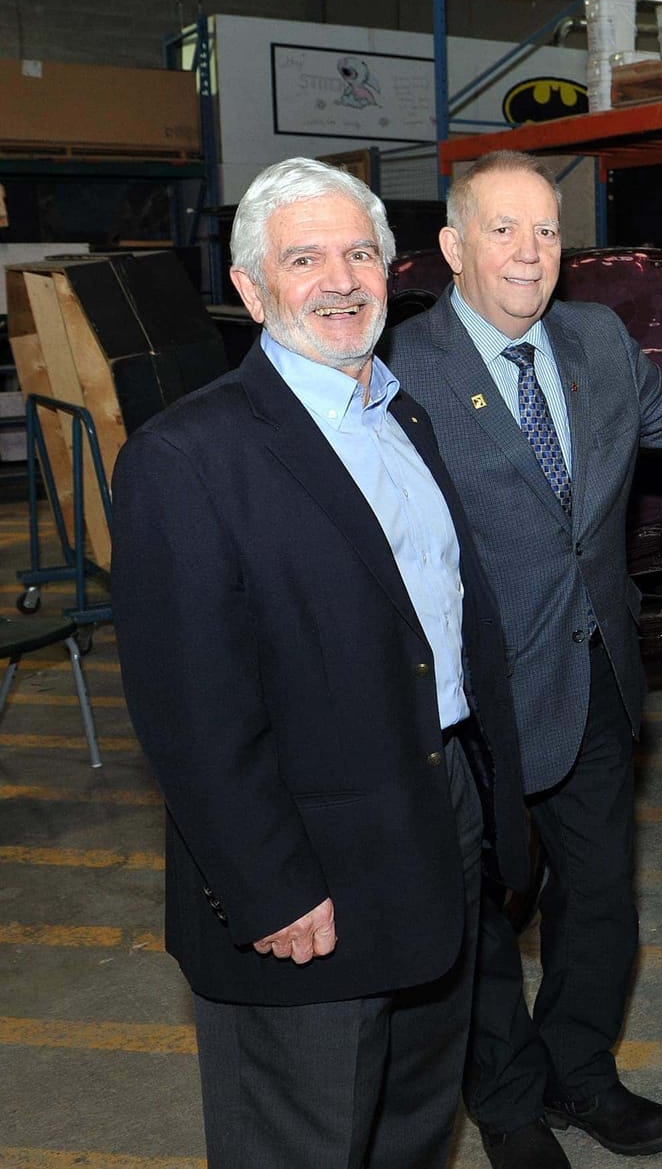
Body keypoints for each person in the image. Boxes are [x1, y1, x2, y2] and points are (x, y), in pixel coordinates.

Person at [387, 150, 662, 1169]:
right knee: (480, 915)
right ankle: (507, 1097)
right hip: (472, 696)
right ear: (453, 247)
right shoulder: (404, 367)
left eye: (544, 231)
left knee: (598, 898)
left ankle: (581, 1071)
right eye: (503, 229)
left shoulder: (593, 340)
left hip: (593, 677)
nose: (530, 252)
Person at [112, 156, 529, 1168]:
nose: (339, 279)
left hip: (437, 831)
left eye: (358, 253)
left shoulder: (403, 415)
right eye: (303, 258)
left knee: (413, 1122)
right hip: (309, 875)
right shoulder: (187, 457)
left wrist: (491, 809)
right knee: (300, 1139)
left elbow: (441, 628)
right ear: (251, 289)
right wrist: (270, 888)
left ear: (392, 270)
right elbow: (191, 709)